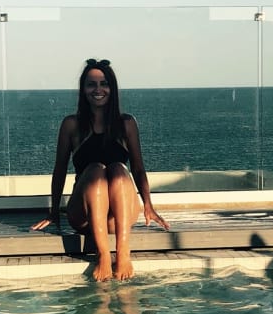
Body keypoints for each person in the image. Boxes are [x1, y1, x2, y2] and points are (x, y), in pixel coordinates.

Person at [31, 58, 169, 281]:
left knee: (118, 169)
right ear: (83, 90)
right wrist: (54, 211)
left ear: (112, 89)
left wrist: (148, 205)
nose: (98, 90)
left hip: (117, 217)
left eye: (104, 84)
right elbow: (59, 170)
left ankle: (123, 252)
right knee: (96, 170)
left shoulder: (126, 124)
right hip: (85, 216)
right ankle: (104, 255)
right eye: (91, 84)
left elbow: (138, 168)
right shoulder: (71, 125)